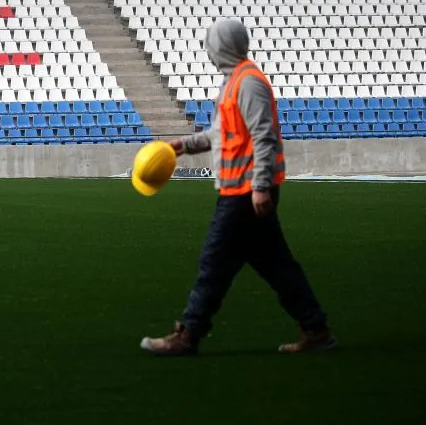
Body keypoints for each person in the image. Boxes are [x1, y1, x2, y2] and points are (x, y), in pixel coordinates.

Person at [140, 18, 336, 356]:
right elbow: (219, 135)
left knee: (214, 263)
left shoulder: (248, 84)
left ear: (223, 46)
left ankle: (188, 335)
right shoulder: (233, 83)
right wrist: (181, 146)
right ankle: (316, 329)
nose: (209, 52)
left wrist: (260, 186)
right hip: (241, 191)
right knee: (277, 266)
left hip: (246, 193)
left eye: (212, 45)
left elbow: (264, 137)